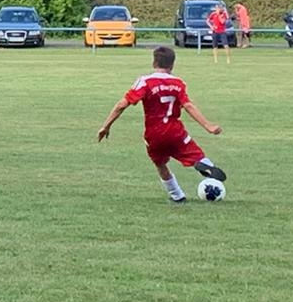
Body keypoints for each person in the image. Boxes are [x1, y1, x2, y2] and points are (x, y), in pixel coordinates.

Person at [96, 45, 226, 204]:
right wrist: (208, 126)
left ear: (154, 63)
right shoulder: (178, 83)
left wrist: (106, 126)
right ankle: (206, 168)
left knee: (160, 164)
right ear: (172, 65)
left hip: (154, 134)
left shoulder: (145, 81)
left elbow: (121, 105)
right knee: (196, 155)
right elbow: (188, 105)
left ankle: (177, 195)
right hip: (175, 132)